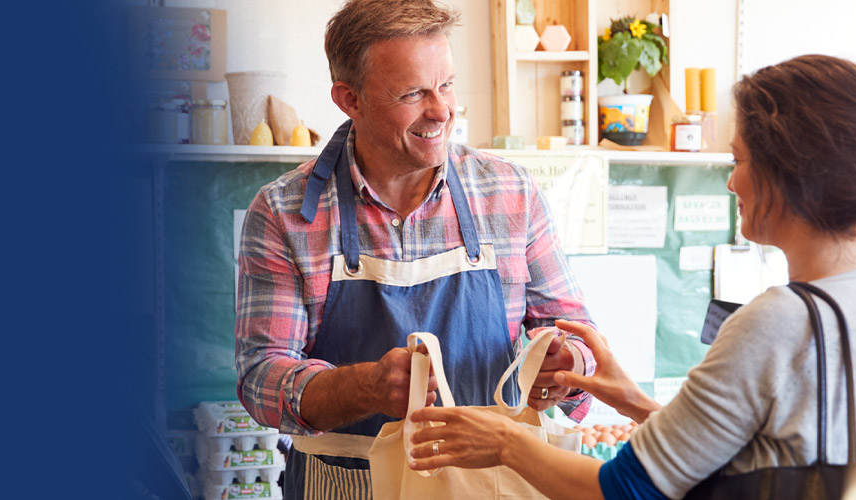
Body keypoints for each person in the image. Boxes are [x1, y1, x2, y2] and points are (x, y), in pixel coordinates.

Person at [403, 54, 856, 500]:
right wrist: (635, 403)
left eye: (739, 160)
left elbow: (624, 492)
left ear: (788, 173)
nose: (733, 183)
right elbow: (785, 459)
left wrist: (505, 443)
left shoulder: (777, 320)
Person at [233, 0, 604, 497]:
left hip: (488, 488)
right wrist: (363, 387)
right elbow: (261, 377)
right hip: (345, 486)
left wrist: (567, 367)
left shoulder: (509, 192)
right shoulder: (284, 213)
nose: (442, 110)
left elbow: (578, 335)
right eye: (414, 93)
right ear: (350, 98)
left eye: (447, 85)